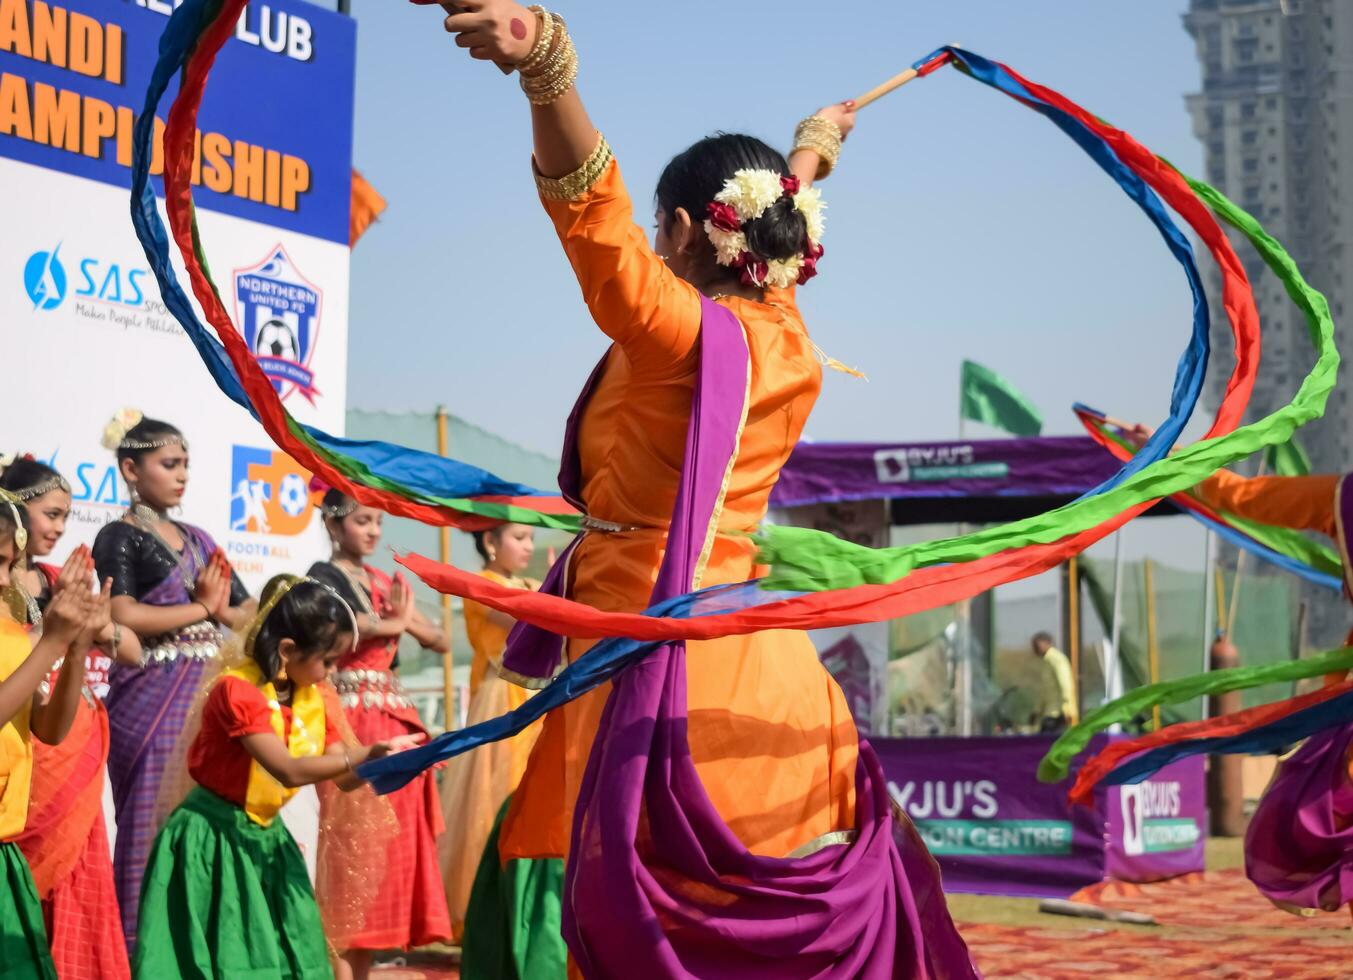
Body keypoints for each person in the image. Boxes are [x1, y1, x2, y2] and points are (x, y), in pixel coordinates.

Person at [426, 4, 975, 975]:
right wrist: (815, 148)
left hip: (658, 676)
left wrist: (547, 70)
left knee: (650, 933)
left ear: (682, 230)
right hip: (772, 678)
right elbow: (777, 224)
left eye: (659, 230)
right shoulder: (788, 336)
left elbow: (593, 227)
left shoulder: (677, 337)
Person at [133, 575, 421, 979]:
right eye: (327, 661)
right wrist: (365, 754)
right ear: (287, 650)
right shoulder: (237, 693)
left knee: (295, 951)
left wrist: (388, 764)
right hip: (213, 841)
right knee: (223, 956)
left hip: (267, 839)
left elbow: (343, 775)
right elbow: (287, 769)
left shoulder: (314, 696)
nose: (332, 673)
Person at [91, 408, 256, 948]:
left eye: (185, 463)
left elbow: (244, 612)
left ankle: (204, 946)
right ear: (131, 470)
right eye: (169, 463)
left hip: (207, 698)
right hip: (150, 702)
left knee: (209, 821)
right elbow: (124, 617)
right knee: (148, 826)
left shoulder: (201, 539)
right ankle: (143, 949)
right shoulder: (119, 535)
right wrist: (203, 611)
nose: (182, 473)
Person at [306, 486, 451, 979]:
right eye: (361, 521)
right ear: (332, 525)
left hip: (393, 721)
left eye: (377, 523)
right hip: (350, 723)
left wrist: (404, 621)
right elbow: (339, 633)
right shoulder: (320, 579)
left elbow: (441, 639)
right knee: (352, 852)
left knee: (385, 861)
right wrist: (392, 625)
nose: (371, 531)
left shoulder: (381, 581)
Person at [3, 457, 139, 979]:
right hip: (24, 759)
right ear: (14, 515)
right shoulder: (7, 597)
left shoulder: (62, 582)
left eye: (66, 516)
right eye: (51, 514)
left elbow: (131, 651)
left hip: (68, 743)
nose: (59, 528)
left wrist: (96, 631)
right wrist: (55, 635)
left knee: (75, 884)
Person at [440, 524, 564, 978]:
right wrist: (554, 600)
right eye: (517, 537)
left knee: (533, 797)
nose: (527, 547)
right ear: (490, 542)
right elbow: (524, 623)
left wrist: (552, 597)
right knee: (496, 803)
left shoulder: (531, 587)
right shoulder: (482, 587)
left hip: (536, 697)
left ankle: (534, 910)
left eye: (530, 538)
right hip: (503, 697)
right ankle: (490, 909)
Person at [1032, 631, 1077, 732]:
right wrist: (1037, 711)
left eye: (1037, 644)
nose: (1034, 648)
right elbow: (1045, 691)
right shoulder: (1046, 661)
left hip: (1058, 713)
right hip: (1049, 712)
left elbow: (1065, 684)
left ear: (1047, 643)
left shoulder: (1056, 659)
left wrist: (1067, 708)